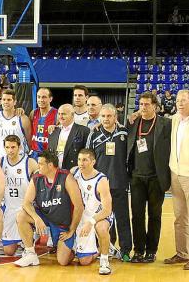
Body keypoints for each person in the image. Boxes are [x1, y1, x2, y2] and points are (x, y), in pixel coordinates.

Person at [14, 150, 83, 267]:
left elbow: (79, 206)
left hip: (61, 223)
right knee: (21, 216)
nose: (38, 166)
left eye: (40, 163)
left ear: (50, 165)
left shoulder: (66, 177)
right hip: (45, 217)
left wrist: (72, 230)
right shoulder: (36, 178)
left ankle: (73, 247)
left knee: (63, 261)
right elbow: (26, 203)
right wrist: (36, 218)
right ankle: (30, 254)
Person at [127, 92, 171, 263]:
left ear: (155, 106)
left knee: (155, 216)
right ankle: (138, 250)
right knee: (137, 216)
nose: (143, 107)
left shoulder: (166, 124)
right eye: (141, 104)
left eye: (146, 104)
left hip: (156, 178)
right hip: (136, 177)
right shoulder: (133, 122)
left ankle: (151, 251)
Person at [86, 104, 132, 261]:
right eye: (103, 116)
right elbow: (88, 159)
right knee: (104, 218)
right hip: (101, 186)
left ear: (115, 117)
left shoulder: (124, 133)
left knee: (122, 218)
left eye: (109, 116)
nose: (106, 119)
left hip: (120, 183)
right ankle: (108, 247)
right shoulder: (94, 135)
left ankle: (125, 250)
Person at [71, 149, 113, 275]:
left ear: (93, 161)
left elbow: (107, 210)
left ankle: (105, 259)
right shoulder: (74, 173)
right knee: (84, 261)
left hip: (99, 216)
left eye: (85, 160)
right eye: (79, 159)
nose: (81, 163)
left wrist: (91, 222)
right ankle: (98, 249)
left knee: (100, 228)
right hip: (82, 217)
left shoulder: (101, 180)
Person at [0, 135, 38, 255]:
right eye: (7, 147)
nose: (10, 150)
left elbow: (41, 182)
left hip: (25, 208)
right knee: (8, 252)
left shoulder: (30, 162)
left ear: (19, 147)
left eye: (13, 147)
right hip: (9, 208)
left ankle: (31, 233)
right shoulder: (0, 161)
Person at [164, 90, 189, 270]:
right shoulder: (173, 120)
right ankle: (182, 253)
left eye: (184, 100)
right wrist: (135, 114)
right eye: (178, 100)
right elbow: (152, 119)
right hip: (175, 173)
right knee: (179, 216)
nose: (180, 103)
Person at [48, 104, 90, 170]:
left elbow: (87, 154)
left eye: (63, 114)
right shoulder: (53, 131)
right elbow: (49, 153)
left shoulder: (83, 131)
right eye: (59, 114)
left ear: (72, 115)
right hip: (55, 172)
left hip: (74, 172)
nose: (60, 116)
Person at [0, 89, 31, 159]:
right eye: (4, 99)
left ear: (15, 102)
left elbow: (29, 140)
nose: (6, 102)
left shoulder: (23, 119)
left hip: (19, 157)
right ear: (1, 101)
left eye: (9, 100)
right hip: (1, 157)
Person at [29, 88, 58, 158]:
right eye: (38, 97)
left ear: (50, 99)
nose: (41, 100)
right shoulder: (33, 113)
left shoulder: (57, 114)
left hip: (48, 155)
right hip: (34, 154)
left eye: (44, 97)